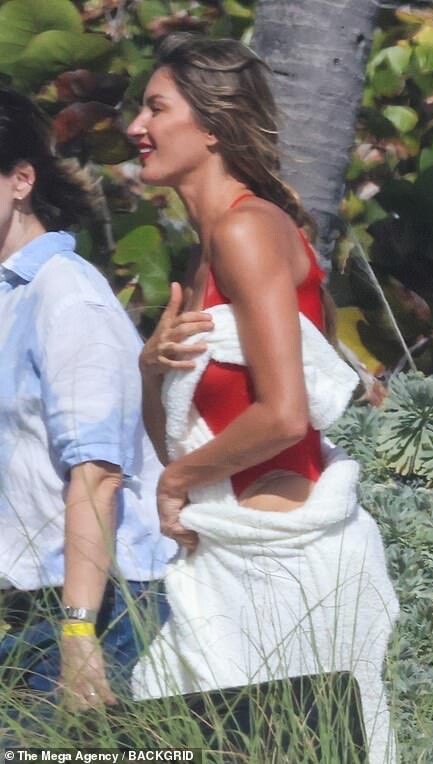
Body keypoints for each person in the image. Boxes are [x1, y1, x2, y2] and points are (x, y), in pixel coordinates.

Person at [127, 34, 399, 763]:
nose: (136, 127)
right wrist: (151, 372)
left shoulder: (246, 231)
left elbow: (283, 415)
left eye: (156, 108)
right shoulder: (206, 251)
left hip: (281, 565)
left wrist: (175, 485)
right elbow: (179, 443)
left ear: (212, 125)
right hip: (229, 559)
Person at [0, 87, 176, 709]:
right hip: (30, 605)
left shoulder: (68, 298)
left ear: (22, 180)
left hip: (97, 606)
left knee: (69, 751)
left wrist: (78, 636)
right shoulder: (12, 297)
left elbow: (98, 474)